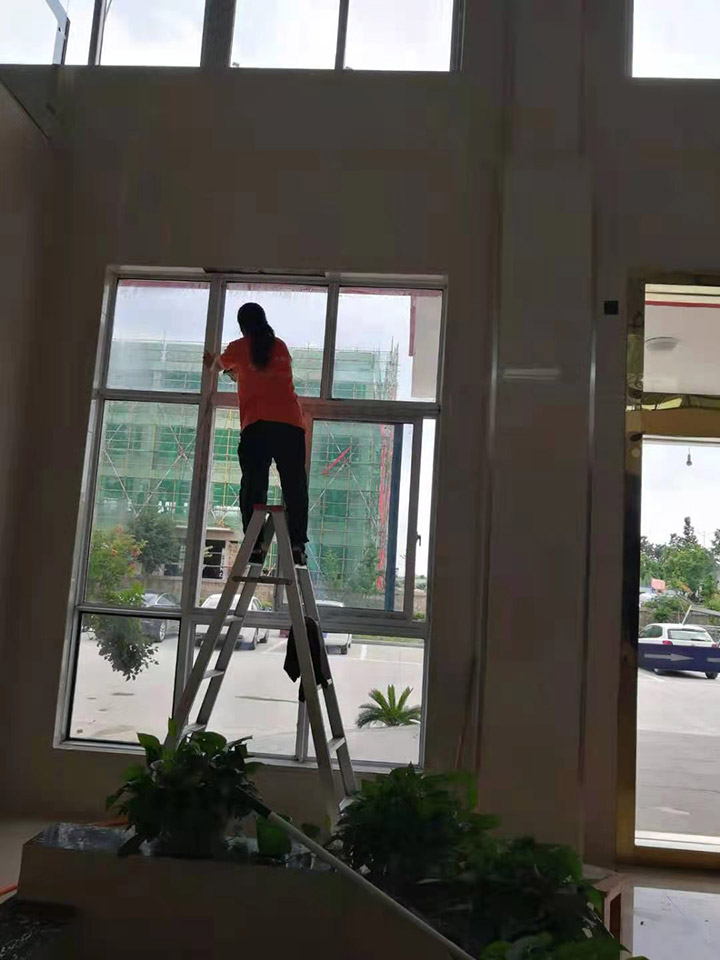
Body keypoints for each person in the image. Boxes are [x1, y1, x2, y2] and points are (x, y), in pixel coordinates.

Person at [204, 302, 308, 565]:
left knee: (253, 486)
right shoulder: (280, 347)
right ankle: (297, 544)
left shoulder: (239, 347)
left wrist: (211, 361)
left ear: (242, 326)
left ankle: (256, 546)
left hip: (257, 425)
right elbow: (265, 375)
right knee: (295, 486)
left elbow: (216, 366)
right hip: (290, 425)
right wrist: (238, 373)